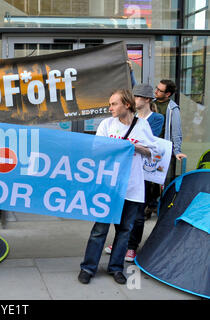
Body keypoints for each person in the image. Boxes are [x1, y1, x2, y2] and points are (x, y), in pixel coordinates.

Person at [78, 89, 160, 285]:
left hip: (132, 188)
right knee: (100, 229)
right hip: (109, 186)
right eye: (110, 104)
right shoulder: (106, 125)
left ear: (127, 105)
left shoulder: (142, 126)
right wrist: (116, 147)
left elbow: (152, 151)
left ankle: (116, 268)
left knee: (125, 231)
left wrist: (136, 148)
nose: (110, 108)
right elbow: (97, 149)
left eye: (114, 104)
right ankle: (88, 268)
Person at [104, 84, 164, 262]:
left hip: (140, 172)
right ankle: (120, 244)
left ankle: (131, 246)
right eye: (133, 96)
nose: (135, 98)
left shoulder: (150, 121)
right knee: (115, 216)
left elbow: (152, 146)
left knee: (136, 212)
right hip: (117, 176)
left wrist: (133, 146)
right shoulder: (112, 122)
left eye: (138, 96)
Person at [154, 79, 187, 185]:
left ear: (167, 94)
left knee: (162, 181)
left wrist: (177, 151)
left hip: (163, 149)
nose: (156, 91)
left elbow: (176, 132)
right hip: (149, 148)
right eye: (156, 88)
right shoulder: (150, 103)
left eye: (159, 90)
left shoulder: (172, 108)